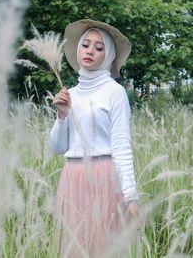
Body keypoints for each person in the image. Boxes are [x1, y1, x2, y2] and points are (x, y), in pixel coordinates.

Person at [49, 19, 139, 257]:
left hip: (104, 178)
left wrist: (130, 195)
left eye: (99, 48)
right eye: (85, 44)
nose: (90, 50)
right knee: (75, 248)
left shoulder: (114, 92)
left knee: (104, 248)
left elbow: (121, 145)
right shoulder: (70, 94)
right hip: (72, 178)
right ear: (77, 49)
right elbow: (58, 147)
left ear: (108, 56)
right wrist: (61, 115)